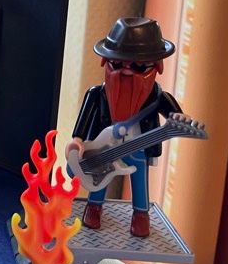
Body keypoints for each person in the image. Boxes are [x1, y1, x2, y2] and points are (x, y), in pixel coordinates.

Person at [66, 17, 182, 237]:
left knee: (139, 182)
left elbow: (177, 116)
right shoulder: (96, 94)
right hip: (103, 147)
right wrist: (77, 141)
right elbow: (82, 123)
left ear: (157, 66)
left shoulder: (158, 98)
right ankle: (94, 208)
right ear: (105, 61)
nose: (126, 71)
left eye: (139, 66)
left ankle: (141, 215)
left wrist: (180, 121)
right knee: (100, 177)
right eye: (117, 65)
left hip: (138, 149)